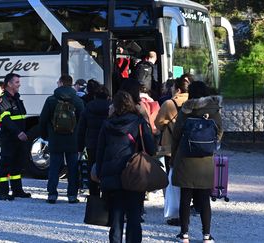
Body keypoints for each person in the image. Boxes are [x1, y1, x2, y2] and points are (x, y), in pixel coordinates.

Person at [95, 91, 156, 243]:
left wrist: (100, 173)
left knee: (116, 219)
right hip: (134, 174)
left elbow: (100, 151)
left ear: (114, 106)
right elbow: (151, 149)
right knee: (134, 218)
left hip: (112, 175)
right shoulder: (139, 123)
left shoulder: (107, 124)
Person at [171, 81, 223, 243]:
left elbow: (176, 134)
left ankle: (184, 234)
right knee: (204, 199)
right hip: (206, 159)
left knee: (185, 197)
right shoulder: (214, 109)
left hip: (186, 156)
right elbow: (220, 131)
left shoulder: (186, 109)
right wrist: (211, 146)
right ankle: (206, 235)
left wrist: (174, 156)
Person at [39, 74, 84, 204]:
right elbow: (82, 121)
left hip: (55, 138)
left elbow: (43, 120)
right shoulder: (77, 101)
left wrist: (45, 135)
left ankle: (52, 194)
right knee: (73, 168)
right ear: (71, 84)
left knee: (54, 167)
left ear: (60, 83)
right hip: (73, 139)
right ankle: (72, 196)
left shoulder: (51, 100)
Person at [155, 77, 190, 226]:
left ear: (178, 90)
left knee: (171, 178)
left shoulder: (170, 103)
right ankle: (187, 209)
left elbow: (158, 122)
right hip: (190, 146)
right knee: (187, 180)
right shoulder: (195, 103)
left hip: (170, 147)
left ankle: (173, 210)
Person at [0, 73, 31, 201]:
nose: (19, 84)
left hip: (19, 139)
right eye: (16, 82)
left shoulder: (17, 98)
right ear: (9, 84)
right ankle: (3, 192)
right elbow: (6, 120)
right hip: (9, 139)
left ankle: (17, 190)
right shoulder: (3, 100)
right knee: (5, 165)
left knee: (17, 164)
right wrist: (18, 132)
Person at [77, 86, 111, 196]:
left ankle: (94, 196)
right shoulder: (111, 108)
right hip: (107, 143)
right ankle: (106, 195)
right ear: (107, 96)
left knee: (93, 170)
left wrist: (80, 147)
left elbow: (81, 129)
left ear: (95, 96)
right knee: (106, 170)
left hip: (92, 143)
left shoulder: (88, 107)